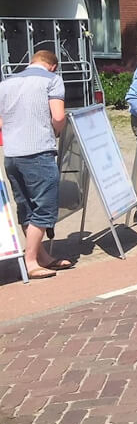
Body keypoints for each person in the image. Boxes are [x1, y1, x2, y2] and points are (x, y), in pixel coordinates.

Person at [0, 50, 70, 278]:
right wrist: (57, 132)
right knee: (44, 207)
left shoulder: (7, 82)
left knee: (26, 206)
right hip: (38, 150)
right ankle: (30, 261)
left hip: (12, 154)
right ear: (52, 66)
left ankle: (42, 256)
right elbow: (58, 117)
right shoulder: (52, 80)